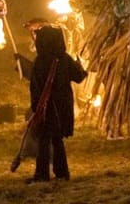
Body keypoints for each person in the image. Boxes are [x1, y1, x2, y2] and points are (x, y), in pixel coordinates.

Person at [26, 25, 86, 183]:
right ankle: (61, 173)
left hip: (45, 107)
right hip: (61, 107)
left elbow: (35, 85)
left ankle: (42, 174)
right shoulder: (64, 58)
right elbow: (79, 76)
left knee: (44, 140)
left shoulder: (40, 61)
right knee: (56, 139)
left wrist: (35, 106)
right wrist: (80, 67)